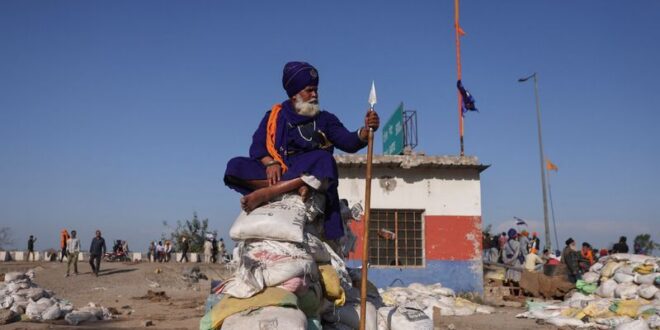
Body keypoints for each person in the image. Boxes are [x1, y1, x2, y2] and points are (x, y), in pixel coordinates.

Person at [223, 61, 380, 244]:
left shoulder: (325, 119)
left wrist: (365, 130)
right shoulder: (274, 116)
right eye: (309, 90)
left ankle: (267, 193)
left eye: (316, 90)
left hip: (308, 170)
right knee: (234, 166)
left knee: (324, 160)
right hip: (280, 172)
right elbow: (257, 148)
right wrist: (270, 163)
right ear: (294, 95)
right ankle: (295, 186)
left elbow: (348, 141)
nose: (315, 95)